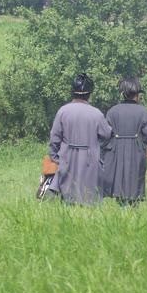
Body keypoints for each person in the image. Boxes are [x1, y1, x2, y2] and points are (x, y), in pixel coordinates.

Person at [47, 73, 113, 204]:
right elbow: (107, 135)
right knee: (89, 198)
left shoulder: (63, 111)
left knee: (68, 198)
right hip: (90, 160)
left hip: (67, 158)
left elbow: (54, 138)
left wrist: (55, 157)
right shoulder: (96, 114)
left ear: (73, 91)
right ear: (89, 93)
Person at [101, 77, 147, 206]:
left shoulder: (112, 111)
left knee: (119, 184)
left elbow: (105, 136)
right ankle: (132, 212)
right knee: (134, 184)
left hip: (116, 152)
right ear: (137, 95)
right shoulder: (143, 112)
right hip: (136, 152)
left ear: (123, 94)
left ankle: (123, 211)